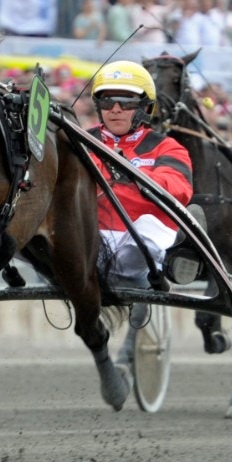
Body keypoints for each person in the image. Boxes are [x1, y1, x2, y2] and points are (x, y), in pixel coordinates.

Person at [88, 61, 194, 295]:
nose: (115, 109)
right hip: (86, 241)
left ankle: (182, 251)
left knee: (147, 227)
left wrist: (130, 173)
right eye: (107, 101)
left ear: (145, 108)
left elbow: (178, 189)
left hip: (138, 250)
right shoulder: (78, 141)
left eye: (126, 102)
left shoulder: (167, 147)